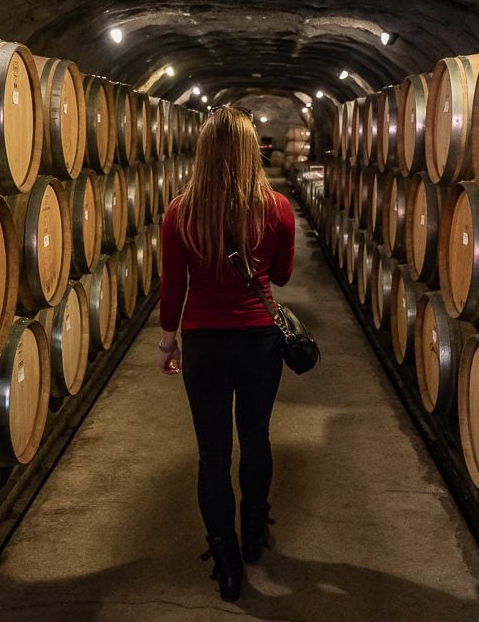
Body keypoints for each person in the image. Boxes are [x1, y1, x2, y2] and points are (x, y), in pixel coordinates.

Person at [158, 106, 296, 602]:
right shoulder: (276, 207)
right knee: (255, 438)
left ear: (204, 152)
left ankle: (227, 560)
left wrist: (168, 342)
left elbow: (173, 287)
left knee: (212, 455)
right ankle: (255, 531)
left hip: (204, 343)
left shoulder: (181, 211)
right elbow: (280, 277)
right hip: (259, 340)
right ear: (249, 151)